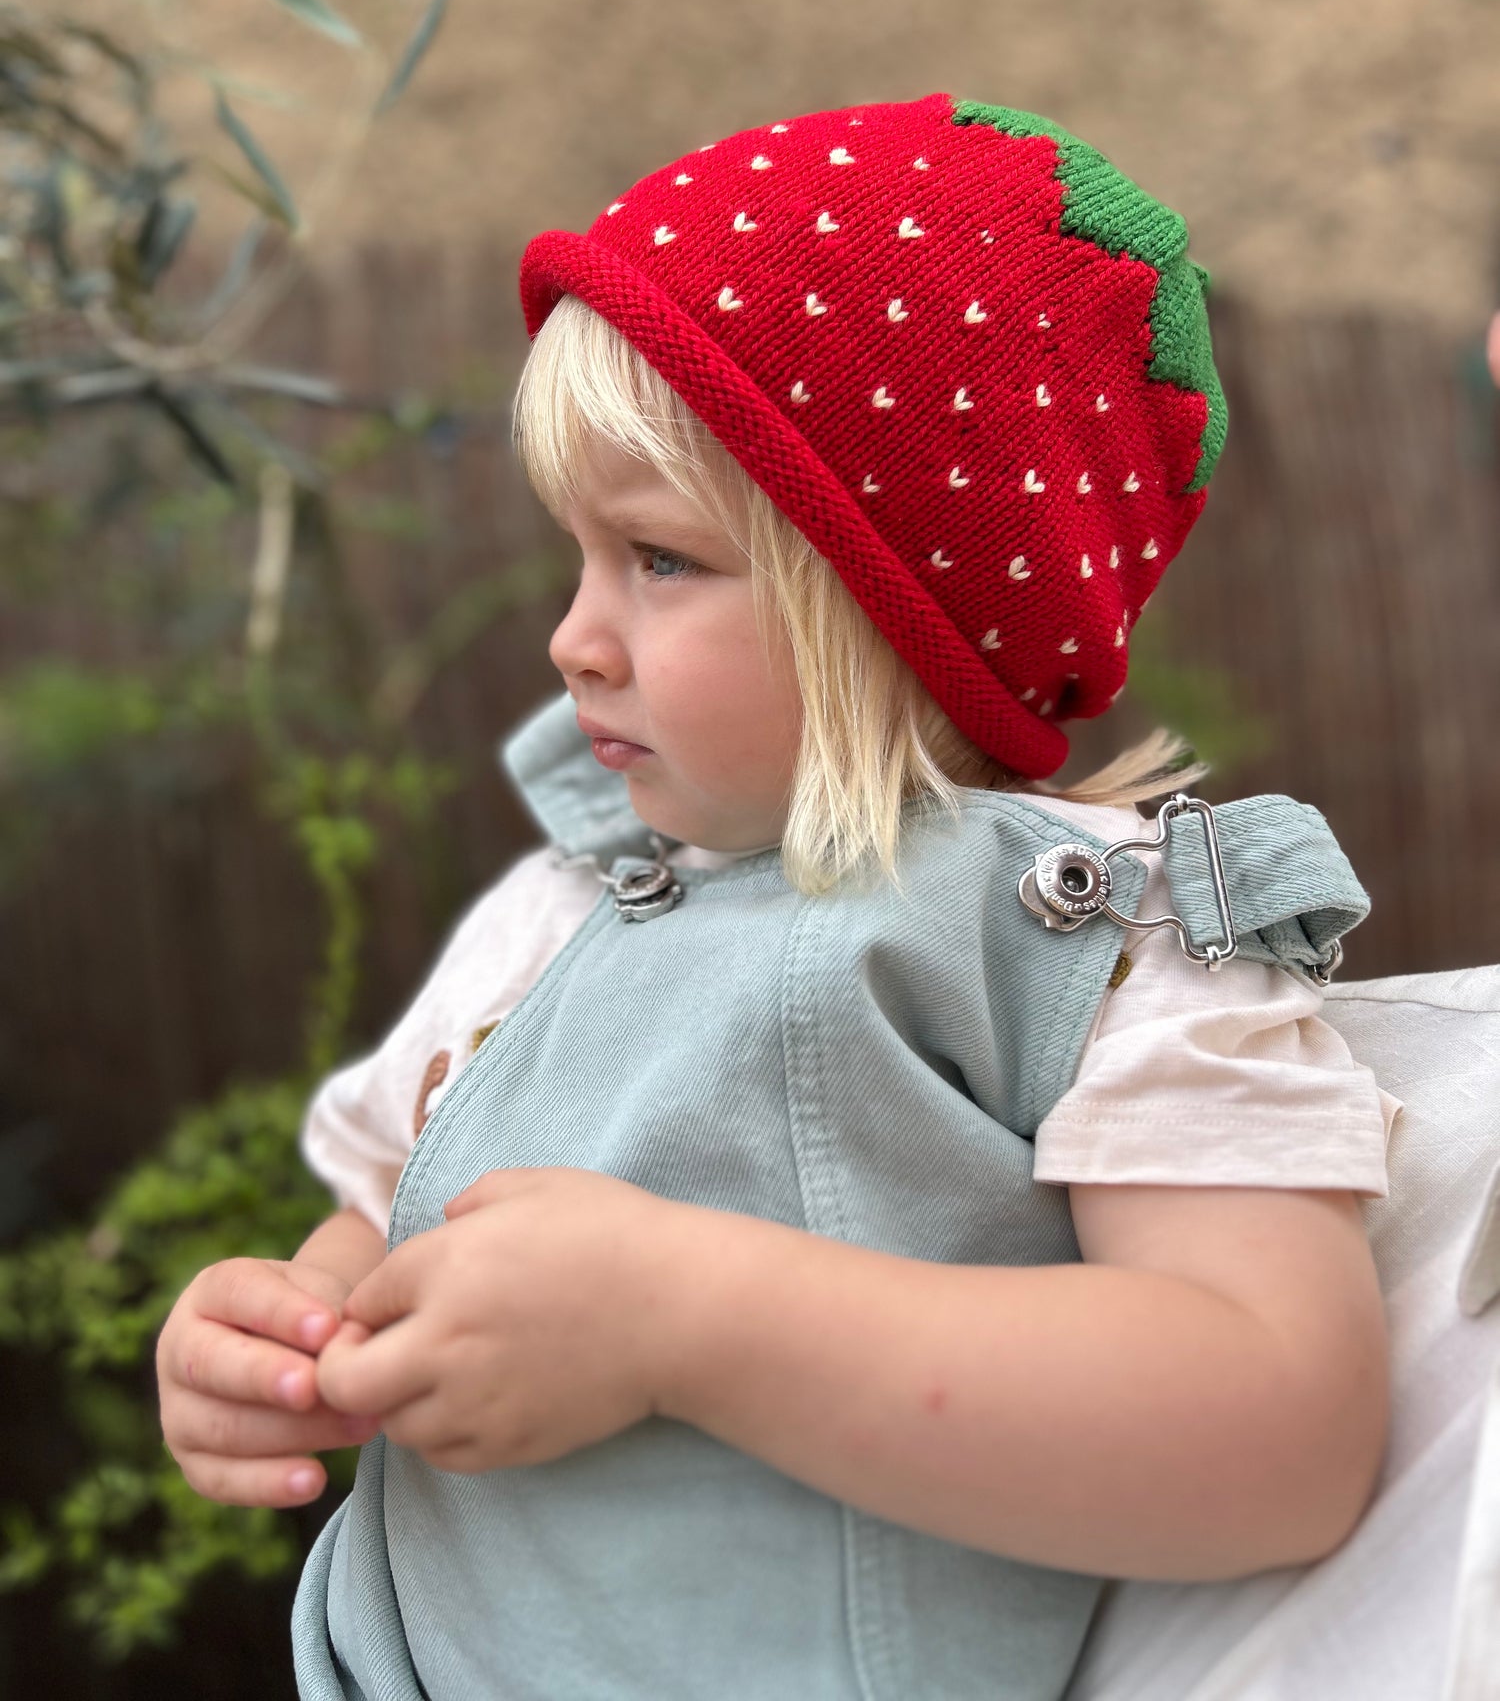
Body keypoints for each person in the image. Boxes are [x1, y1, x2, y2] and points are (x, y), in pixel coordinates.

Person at [157, 94, 1401, 1700]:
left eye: (658, 560)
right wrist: (290, 1338)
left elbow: (1279, 1431)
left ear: (898, 602)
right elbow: (381, 1225)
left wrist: (689, 1320)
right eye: (578, 558)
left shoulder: (1106, 945)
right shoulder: (558, 916)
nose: (574, 637)